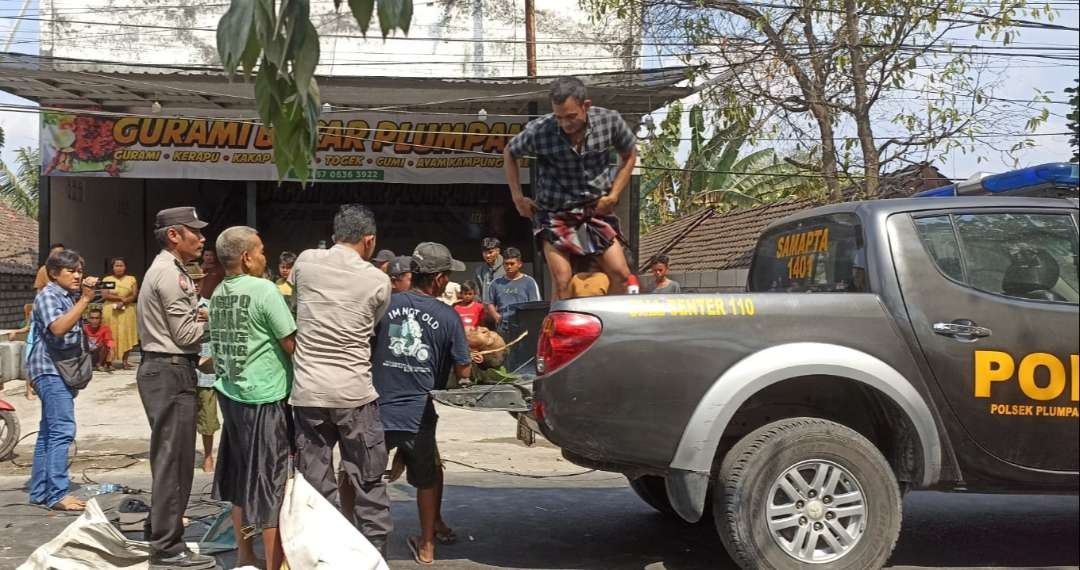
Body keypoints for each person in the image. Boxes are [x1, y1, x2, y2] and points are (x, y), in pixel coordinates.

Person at [289, 204, 393, 555]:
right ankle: (374, 552)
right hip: (354, 394)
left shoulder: (304, 261)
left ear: (334, 235)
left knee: (316, 482)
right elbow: (373, 326)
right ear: (369, 240)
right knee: (368, 479)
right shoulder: (379, 280)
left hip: (308, 394)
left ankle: (325, 555)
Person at [372, 242, 471, 565]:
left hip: (378, 410)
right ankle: (427, 546)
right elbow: (464, 369)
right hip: (419, 414)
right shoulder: (448, 315)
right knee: (427, 478)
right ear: (440, 279)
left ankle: (362, 541)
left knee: (363, 476)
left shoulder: (386, 305)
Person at [209, 226, 297, 570]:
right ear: (246, 258)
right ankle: (275, 564)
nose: (265, 257)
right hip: (265, 399)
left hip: (232, 395)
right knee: (271, 486)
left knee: (241, 482)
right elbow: (291, 344)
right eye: (261, 251)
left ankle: (246, 555)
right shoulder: (264, 291)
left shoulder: (219, 293)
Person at [503, 76, 636, 300]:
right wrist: (518, 197)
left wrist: (614, 195)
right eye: (559, 117)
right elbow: (510, 153)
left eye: (571, 116)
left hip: (594, 210)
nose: (565, 123)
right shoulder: (540, 130)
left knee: (621, 274)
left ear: (586, 106)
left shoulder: (610, 121)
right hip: (555, 213)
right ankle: (559, 333)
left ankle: (607, 329)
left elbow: (630, 154)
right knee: (562, 280)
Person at [136, 207, 216, 570]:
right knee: (175, 462)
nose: (201, 238)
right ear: (174, 235)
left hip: (166, 369)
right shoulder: (171, 275)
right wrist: (221, 320)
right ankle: (167, 548)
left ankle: (160, 528)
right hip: (169, 370)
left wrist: (200, 316)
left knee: (170, 459)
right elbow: (184, 335)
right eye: (194, 232)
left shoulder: (170, 270)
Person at [26, 249, 99, 512]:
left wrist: (81, 298)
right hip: (50, 370)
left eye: (80, 270)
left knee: (48, 432)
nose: (78, 275)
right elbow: (57, 327)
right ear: (55, 273)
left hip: (59, 370)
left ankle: (39, 491)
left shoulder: (68, 296)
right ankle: (57, 493)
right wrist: (84, 301)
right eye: (71, 271)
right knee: (62, 431)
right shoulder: (48, 295)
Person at [187, 263, 219, 474]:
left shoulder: (211, 306)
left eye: (199, 280)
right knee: (185, 418)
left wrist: (209, 356)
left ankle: (208, 455)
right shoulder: (176, 307)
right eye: (192, 280)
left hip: (206, 372)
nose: (196, 285)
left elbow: (223, 336)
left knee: (208, 417)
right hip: (183, 370)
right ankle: (186, 456)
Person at [483, 247, 540, 334]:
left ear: (519, 264)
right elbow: (490, 303)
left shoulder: (529, 282)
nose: (508, 266)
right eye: (506, 264)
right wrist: (497, 317)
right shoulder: (495, 283)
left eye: (512, 263)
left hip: (523, 326)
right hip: (503, 327)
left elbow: (535, 304)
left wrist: (529, 322)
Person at [100, 257, 139, 370]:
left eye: (121, 265)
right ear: (112, 267)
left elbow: (134, 294)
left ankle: (125, 361)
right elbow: (105, 295)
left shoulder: (131, 279)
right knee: (110, 334)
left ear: (125, 267)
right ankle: (108, 361)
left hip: (127, 310)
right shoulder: (107, 279)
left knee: (127, 334)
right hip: (110, 311)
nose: (119, 268)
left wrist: (123, 302)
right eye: (116, 266)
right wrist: (120, 298)